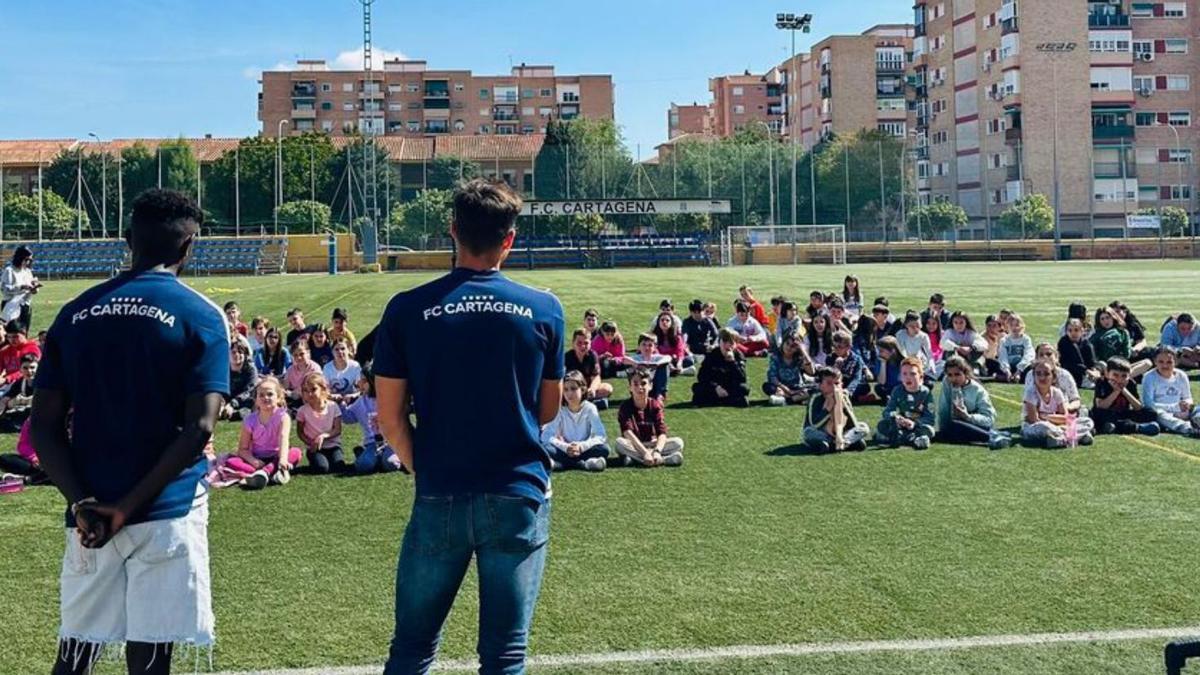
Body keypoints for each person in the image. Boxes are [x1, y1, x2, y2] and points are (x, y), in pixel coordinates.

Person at [31, 188, 227, 675]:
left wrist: (82, 502)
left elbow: (44, 426)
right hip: (166, 509)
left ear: (127, 240)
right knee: (151, 657)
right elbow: (200, 427)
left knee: (76, 654)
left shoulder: (75, 313)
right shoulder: (201, 315)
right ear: (189, 247)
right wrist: (129, 506)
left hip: (90, 512)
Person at [373, 179, 563, 674]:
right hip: (517, 491)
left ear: (452, 230)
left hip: (441, 491)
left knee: (412, 650)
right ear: (510, 238)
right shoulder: (544, 308)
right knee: (505, 656)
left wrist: (424, 467)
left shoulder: (407, 308)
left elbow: (390, 417)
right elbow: (547, 410)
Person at [222, 377, 302, 490]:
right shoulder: (249, 420)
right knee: (231, 462)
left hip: (276, 457)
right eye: (261, 395)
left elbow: (283, 439)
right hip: (257, 458)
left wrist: (283, 459)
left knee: (296, 452)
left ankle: (265, 472)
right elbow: (242, 449)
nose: (265, 398)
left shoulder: (283, 417)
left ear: (279, 397)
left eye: (270, 394)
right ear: (256, 399)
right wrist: (254, 461)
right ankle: (271, 473)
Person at [937, 356, 1011, 450]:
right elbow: (943, 408)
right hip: (955, 425)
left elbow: (989, 419)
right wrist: (944, 428)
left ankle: (991, 437)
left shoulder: (978, 390)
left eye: (957, 374)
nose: (953, 379)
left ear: (965, 373)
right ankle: (994, 434)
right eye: (950, 375)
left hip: (976, 424)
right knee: (948, 429)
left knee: (954, 426)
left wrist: (968, 417)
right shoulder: (947, 382)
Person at [614, 367, 684, 467]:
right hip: (634, 444)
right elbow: (627, 433)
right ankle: (664, 460)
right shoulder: (625, 406)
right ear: (630, 387)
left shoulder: (655, 405)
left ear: (650, 386)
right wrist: (645, 453)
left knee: (678, 443)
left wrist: (657, 451)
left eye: (643, 383)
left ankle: (636, 459)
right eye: (635, 384)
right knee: (619, 443)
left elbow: (662, 432)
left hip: (652, 443)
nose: (640, 387)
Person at [540, 371, 609, 472]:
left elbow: (601, 435)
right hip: (564, 449)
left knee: (604, 449)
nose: (569, 393)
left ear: (583, 389)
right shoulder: (560, 409)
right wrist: (566, 447)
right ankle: (583, 464)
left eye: (573, 389)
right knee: (544, 447)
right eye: (566, 389)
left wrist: (581, 447)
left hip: (583, 449)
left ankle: (561, 464)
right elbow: (546, 436)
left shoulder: (590, 408)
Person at [1021, 359, 1095, 448]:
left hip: (1058, 426)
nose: (1042, 377)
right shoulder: (1031, 393)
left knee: (1087, 421)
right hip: (1036, 427)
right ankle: (1076, 436)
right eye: (1038, 374)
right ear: (1034, 376)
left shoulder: (1057, 393)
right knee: (1044, 427)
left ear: (1053, 377)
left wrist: (1046, 416)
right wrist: (1056, 421)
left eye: (1046, 374)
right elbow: (1034, 420)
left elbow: (1065, 418)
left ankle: (1060, 439)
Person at [344, 368, 403, 475]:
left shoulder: (389, 399)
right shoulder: (361, 401)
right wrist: (342, 403)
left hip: (391, 442)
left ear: (373, 382)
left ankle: (386, 457)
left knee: (391, 464)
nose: (359, 383)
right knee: (364, 466)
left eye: (363, 380)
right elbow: (348, 418)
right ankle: (362, 453)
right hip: (372, 443)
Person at [803, 366, 869, 453]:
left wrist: (843, 405)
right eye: (829, 383)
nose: (834, 388)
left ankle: (842, 442)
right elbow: (814, 424)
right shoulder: (816, 397)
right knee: (808, 432)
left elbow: (853, 423)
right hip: (822, 432)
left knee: (863, 427)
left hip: (841, 432)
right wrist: (827, 410)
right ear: (820, 385)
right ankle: (844, 443)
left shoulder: (844, 396)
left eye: (837, 384)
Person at [875, 357, 936, 450]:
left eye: (913, 374)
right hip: (900, 425)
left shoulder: (926, 392)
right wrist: (896, 418)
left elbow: (930, 417)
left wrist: (915, 423)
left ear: (921, 376)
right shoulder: (897, 390)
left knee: (929, 430)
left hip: (917, 426)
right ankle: (910, 439)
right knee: (882, 425)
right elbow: (887, 411)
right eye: (904, 374)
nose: (908, 377)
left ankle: (901, 438)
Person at [1092, 357, 1161, 436]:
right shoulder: (1102, 382)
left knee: (1150, 413)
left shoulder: (1130, 383)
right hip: (1107, 413)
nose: (1119, 379)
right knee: (1099, 414)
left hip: (1123, 413)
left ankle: (1115, 427)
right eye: (1115, 375)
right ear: (1107, 374)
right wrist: (1116, 392)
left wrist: (1124, 390)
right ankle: (1137, 427)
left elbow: (1138, 407)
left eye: (1124, 376)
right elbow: (1101, 406)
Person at [1141, 346, 1200, 436]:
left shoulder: (1181, 375)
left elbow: (1188, 397)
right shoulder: (1149, 377)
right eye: (1161, 362)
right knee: (1157, 414)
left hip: (1181, 411)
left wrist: (1186, 405)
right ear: (1155, 361)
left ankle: (1197, 422)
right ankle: (1188, 428)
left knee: (1197, 408)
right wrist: (1174, 408)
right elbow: (1148, 404)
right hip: (1163, 412)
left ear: (1176, 362)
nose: (1165, 365)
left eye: (1169, 362)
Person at [296, 372, 345, 473]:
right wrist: (310, 443)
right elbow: (300, 432)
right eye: (306, 391)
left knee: (339, 466)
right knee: (322, 468)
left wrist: (323, 436)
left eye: (313, 390)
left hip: (333, 445)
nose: (310, 394)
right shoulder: (302, 411)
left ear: (323, 389)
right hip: (315, 448)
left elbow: (337, 429)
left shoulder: (333, 406)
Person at [692, 328, 750, 408]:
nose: (728, 345)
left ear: (736, 344)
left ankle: (718, 401)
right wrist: (715, 387)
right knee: (697, 388)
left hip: (730, 387)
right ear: (720, 342)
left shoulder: (739, 356)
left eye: (731, 342)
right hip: (715, 387)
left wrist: (732, 362)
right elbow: (702, 376)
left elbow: (742, 378)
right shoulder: (712, 354)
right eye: (725, 341)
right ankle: (727, 401)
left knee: (744, 388)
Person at [1022, 343, 1084, 415]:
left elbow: (1076, 400)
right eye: (1041, 355)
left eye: (1049, 354)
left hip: (1063, 413)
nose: (1045, 357)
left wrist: (1066, 407)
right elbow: (1028, 400)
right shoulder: (1031, 375)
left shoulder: (1064, 375)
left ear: (1056, 357)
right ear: (1036, 358)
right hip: (1038, 414)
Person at [564, 329, 613, 407]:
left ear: (590, 343)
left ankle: (580, 402)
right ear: (573, 343)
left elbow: (596, 376)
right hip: (573, 388)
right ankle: (590, 402)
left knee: (607, 388)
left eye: (586, 343)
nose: (583, 346)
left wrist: (592, 388)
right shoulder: (567, 357)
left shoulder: (592, 355)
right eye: (579, 343)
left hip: (586, 388)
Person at [764, 329, 814, 406]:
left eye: (793, 346)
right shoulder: (775, 357)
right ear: (783, 342)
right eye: (787, 343)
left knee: (817, 388)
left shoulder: (799, 358)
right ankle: (798, 398)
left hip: (798, 387)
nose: (789, 347)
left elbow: (811, 372)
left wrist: (803, 351)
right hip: (782, 387)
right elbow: (773, 377)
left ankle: (787, 399)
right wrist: (788, 391)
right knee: (768, 387)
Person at [1, 245, 41, 333]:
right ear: (20, 258)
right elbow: (4, 289)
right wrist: (21, 287)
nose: (28, 262)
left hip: (25, 305)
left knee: (24, 333)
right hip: (11, 305)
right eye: (26, 259)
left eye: (30, 260)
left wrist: (34, 289)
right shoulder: (9, 270)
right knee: (12, 333)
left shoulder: (27, 271)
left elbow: (32, 287)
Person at [622, 333, 673, 400]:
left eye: (650, 345)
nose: (647, 348)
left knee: (665, 365)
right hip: (640, 387)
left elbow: (668, 358)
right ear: (639, 346)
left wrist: (656, 364)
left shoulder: (656, 358)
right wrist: (637, 364)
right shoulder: (636, 358)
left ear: (655, 347)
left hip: (654, 387)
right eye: (644, 345)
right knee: (630, 366)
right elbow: (624, 359)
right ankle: (636, 393)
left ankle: (660, 394)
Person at [0, 418, 48, 485]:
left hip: (55, 463)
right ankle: (41, 476)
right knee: (5, 459)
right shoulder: (31, 421)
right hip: (36, 463)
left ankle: (27, 479)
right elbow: (23, 445)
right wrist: (34, 458)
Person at [221, 340, 259, 421]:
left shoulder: (251, 369)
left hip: (244, 401)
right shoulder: (224, 368)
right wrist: (222, 404)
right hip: (227, 400)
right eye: (233, 352)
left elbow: (248, 391)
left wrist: (232, 404)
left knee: (243, 413)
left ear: (245, 355)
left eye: (240, 352)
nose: (236, 355)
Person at [827, 330, 869, 402]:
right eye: (834, 346)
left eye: (839, 347)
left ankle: (849, 396)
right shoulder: (830, 358)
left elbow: (856, 378)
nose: (836, 349)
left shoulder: (856, 359)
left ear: (848, 347)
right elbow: (828, 377)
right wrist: (835, 367)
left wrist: (848, 390)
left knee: (864, 387)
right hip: (836, 384)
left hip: (850, 385)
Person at [1057, 318, 1100, 388]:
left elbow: (1092, 360)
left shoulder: (1086, 343)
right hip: (1070, 373)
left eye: (1076, 330)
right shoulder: (1063, 342)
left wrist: (1094, 370)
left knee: (1102, 365)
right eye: (1070, 330)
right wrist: (1086, 371)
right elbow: (1069, 363)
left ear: (1082, 331)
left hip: (1086, 373)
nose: (1073, 333)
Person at [0, 354, 37, 432]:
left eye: (32, 367)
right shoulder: (20, 382)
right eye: (25, 368)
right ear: (20, 369)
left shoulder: (44, 383)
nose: (29, 371)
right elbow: (5, 399)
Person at [323, 337, 363, 405]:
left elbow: (361, 389)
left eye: (343, 349)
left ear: (348, 350)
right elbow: (324, 390)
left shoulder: (355, 366)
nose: (340, 352)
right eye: (336, 349)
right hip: (333, 401)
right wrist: (333, 396)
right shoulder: (327, 368)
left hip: (352, 401)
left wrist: (353, 395)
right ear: (332, 352)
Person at [653, 311, 695, 376]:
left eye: (667, 320)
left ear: (671, 323)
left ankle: (674, 370)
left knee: (689, 360)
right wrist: (668, 363)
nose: (664, 322)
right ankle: (681, 372)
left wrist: (679, 363)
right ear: (658, 322)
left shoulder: (677, 336)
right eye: (662, 320)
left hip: (673, 358)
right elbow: (655, 352)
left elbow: (680, 351)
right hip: (660, 358)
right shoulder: (654, 336)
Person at [283, 340, 321, 409]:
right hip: (293, 398)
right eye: (295, 355)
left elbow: (314, 388)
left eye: (302, 354)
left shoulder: (315, 369)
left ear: (308, 353)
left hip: (310, 399)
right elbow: (285, 386)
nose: (299, 357)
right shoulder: (291, 369)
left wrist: (295, 393)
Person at [998, 313, 1034, 382]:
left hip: (1022, 367)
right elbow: (1003, 356)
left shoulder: (1026, 339)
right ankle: (1008, 376)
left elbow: (1028, 355)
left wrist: (1019, 370)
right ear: (1007, 327)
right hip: (1009, 367)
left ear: (1022, 326)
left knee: (1032, 368)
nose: (1014, 328)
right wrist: (1007, 370)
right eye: (1011, 325)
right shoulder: (1004, 340)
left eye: (1017, 325)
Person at [896, 311, 934, 377]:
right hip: (904, 359)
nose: (916, 329)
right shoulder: (900, 334)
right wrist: (910, 360)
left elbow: (929, 352)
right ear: (906, 325)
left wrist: (931, 364)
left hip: (919, 359)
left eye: (918, 326)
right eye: (912, 326)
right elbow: (902, 351)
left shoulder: (924, 336)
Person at [872, 336, 903, 403]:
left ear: (892, 351)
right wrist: (883, 364)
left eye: (881, 351)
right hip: (888, 388)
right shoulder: (880, 360)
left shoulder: (903, 362)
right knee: (878, 388)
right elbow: (881, 382)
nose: (879, 354)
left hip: (901, 388)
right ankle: (890, 398)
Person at [981, 314, 1006, 379]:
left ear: (999, 327)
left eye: (994, 325)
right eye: (989, 325)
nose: (991, 328)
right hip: (988, 362)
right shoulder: (982, 338)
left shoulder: (1003, 337)